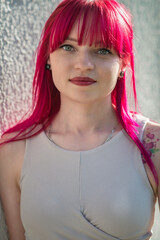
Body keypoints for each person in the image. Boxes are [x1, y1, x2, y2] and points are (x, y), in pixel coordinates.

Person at [0, 0, 160, 239]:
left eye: (102, 50)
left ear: (123, 63)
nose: (84, 64)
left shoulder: (152, 144)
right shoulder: (14, 148)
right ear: (48, 57)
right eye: (68, 47)